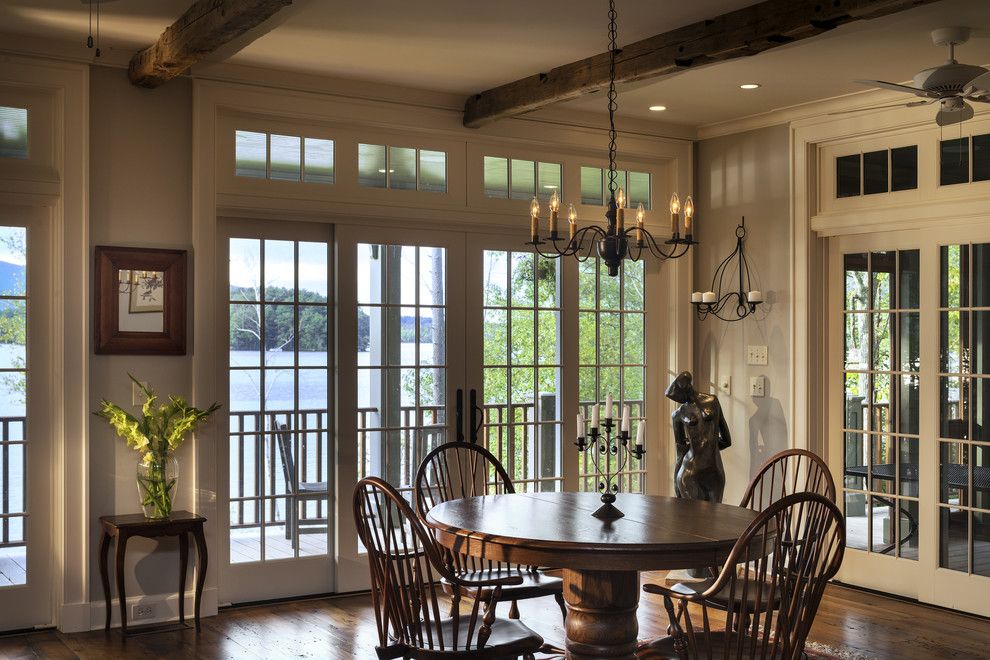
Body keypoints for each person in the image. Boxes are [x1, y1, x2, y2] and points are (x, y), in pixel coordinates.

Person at [665, 371, 731, 503]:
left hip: (715, 470)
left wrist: (708, 449)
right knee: (695, 520)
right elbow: (681, 451)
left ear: (688, 387)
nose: (677, 400)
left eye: (677, 396)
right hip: (690, 472)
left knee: (715, 517)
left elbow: (727, 440)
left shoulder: (712, 401)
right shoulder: (677, 414)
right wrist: (676, 483)